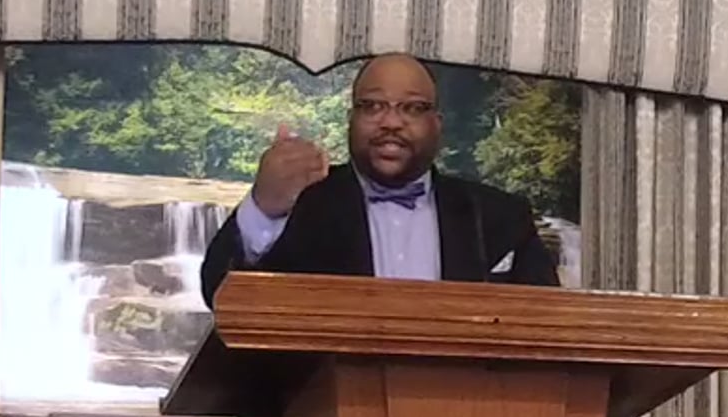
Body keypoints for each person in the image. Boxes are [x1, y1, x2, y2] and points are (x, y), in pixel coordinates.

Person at [198, 53, 563, 303]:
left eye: (412, 108)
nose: (390, 122)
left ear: (437, 125)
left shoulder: (501, 215)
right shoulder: (305, 203)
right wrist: (263, 209)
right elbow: (220, 297)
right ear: (351, 120)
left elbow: (547, 325)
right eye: (372, 106)